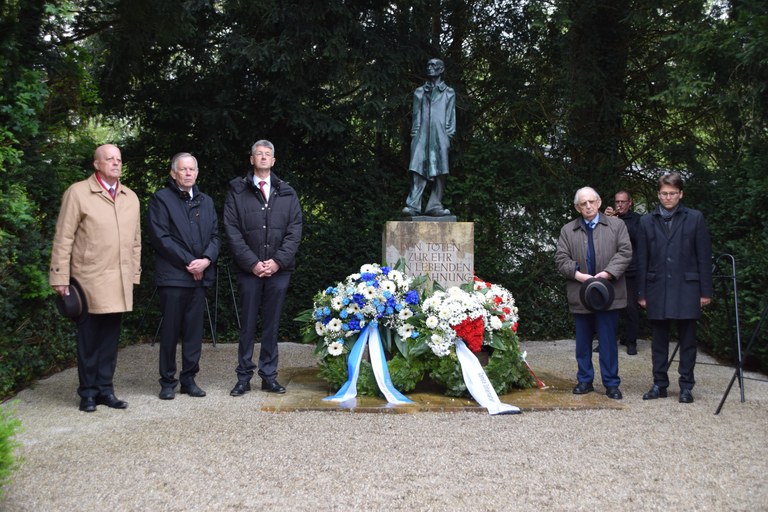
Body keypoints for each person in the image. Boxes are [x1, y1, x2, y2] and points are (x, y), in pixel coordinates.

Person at [49, 144, 141, 412]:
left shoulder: (130, 197)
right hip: (87, 279)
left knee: (110, 341)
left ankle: (105, 390)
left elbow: (136, 241)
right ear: (96, 164)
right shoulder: (78, 193)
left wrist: (134, 273)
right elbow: (63, 236)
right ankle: (87, 393)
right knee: (88, 341)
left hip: (119, 281)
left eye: (119, 159)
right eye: (109, 159)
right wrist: (59, 276)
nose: (115, 163)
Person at [223, 140, 302, 396]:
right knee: (247, 325)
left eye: (268, 154)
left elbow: (294, 230)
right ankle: (243, 377)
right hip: (249, 270)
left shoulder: (287, 192)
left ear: (274, 161)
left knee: (272, 324)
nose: (264, 157)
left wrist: (277, 261)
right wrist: (253, 263)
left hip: (279, 270)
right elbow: (232, 230)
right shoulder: (237, 191)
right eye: (259, 153)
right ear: (251, 159)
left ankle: (269, 375)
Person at [147, 153, 220, 400]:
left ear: (197, 173)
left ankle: (189, 380)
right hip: (174, 277)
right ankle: (167, 381)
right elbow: (161, 238)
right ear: (173, 173)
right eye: (183, 169)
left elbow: (216, 237)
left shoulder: (206, 201)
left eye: (192, 169)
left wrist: (207, 260)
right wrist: (190, 262)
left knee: (193, 333)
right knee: (170, 331)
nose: (188, 173)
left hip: (199, 277)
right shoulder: (161, 199)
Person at [637, 172, 712, 404]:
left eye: (672, 193)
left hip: (687, 288)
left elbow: (703, 256)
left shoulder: (695, 218)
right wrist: (641, 292)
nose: (667, 197)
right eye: (663, 193)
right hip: (657, 287)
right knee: (658, 340)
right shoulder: (646, 221)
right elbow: (642, 259)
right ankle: (659, 384)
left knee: (688, 340)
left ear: (681, 194)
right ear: (658, 194)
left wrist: (705, 291)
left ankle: (686, 386)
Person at [555, 187, 632, 400]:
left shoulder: (617, 225)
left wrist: (607, 274)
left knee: (608, 342)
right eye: (583, 203)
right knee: (583, 342)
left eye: (591, 201)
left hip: (609, 294)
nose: (588, 206)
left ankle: (611, 384)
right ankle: (584, 380)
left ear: (598, 202)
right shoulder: (567, 230)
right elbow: (561, 259)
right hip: (580, 293)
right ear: (577, 207)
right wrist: (580, 276)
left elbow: (625, 253)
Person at [402, 58, 456, 217]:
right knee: (417, 168)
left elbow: (451, 116)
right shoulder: (419, 92)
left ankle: (435, 205)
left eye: (433, 66)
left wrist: (449, 135)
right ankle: (413, 205)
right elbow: (416, 115)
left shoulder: (448, 92)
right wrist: (414, 135)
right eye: (428, 65)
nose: (429, 68)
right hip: (421, 135)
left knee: (441, 171)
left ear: (441, 69)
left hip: (440, 135)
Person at [604, 190, 642, 355]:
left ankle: (631, 341)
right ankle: (607, 340)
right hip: (611, 269)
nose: (619, 205)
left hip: (631, 270)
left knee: (631, 308)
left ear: (630, 202)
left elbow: (634, 237)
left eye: (623, 202)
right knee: (608, 306)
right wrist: (605, 221)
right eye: (617, 201)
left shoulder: (637, 220)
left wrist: (617, 223)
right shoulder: (609, 220)